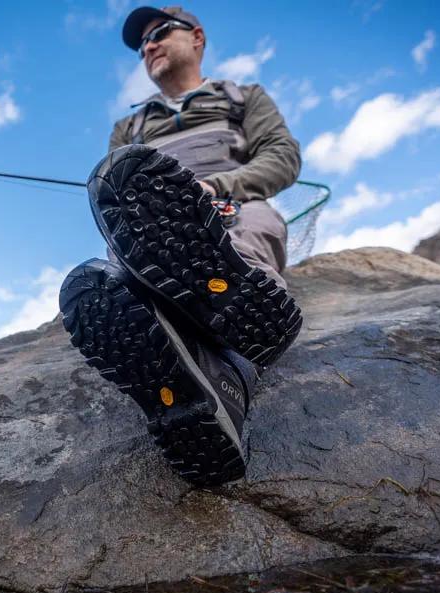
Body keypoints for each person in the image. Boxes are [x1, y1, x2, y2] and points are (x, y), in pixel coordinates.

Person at [59, 5, 303, 486]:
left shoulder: (242, 97)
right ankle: (224, 380)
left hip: (231, 204)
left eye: (158, 34)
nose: (147, 46)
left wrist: (219, 188)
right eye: (141, 44)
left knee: (249, 233)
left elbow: (282, 156)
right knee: (123, 268)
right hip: (153, 229)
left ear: (196, 37)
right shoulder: (128, 130)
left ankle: (217, 353)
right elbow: (115, 198)